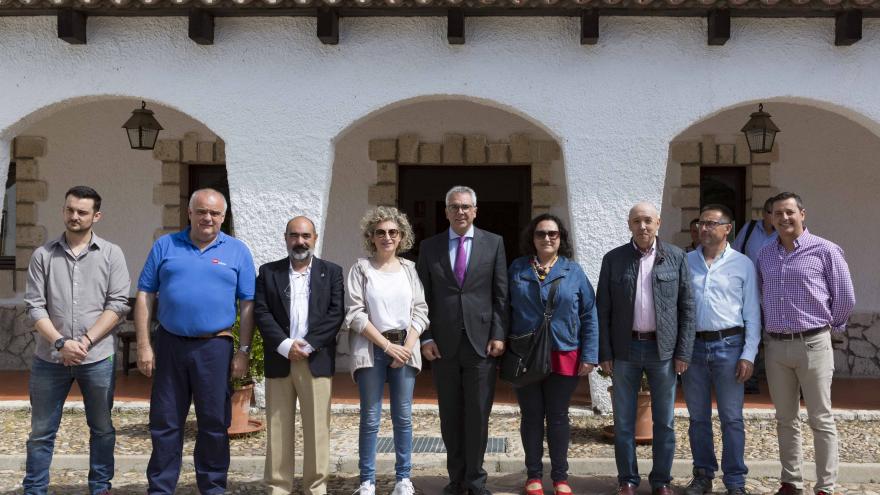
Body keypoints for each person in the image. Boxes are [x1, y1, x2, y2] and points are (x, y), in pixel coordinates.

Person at [135, 188, 256, 495]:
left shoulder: (238, 251)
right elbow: (145, 294)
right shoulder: (165, 246)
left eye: (215, 213)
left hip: (214, 347)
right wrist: (145, 344)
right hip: (171, 344)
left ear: (223, 217)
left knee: (214, 423)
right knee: (165, 422)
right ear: (189, 213)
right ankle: (161, 488)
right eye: (201, 211)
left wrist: (243, 351)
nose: (208, 218)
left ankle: (213, 487)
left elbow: (247, 305)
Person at [22, 186, 131, 495]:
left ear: (96, 216)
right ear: (63, 210)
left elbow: (118, 304)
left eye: (82, 212)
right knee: (41, 432)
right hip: (49, 359)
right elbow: (34, 306)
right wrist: (61, 343)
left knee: (102, 429)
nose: (74, 216)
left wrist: (83, 341)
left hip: (96, 358)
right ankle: (34, 489)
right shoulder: (43, 255)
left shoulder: (112, 254)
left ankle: (100, 487)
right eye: (70, 209)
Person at [757, 192, 855, 495]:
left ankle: (825, 486)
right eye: (777, 214)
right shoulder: (764, 254)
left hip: (813, 344)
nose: (784, 219)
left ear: (802, 213)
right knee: (785, 418)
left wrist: (828, 328)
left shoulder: (825, 250)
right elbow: (762, 295)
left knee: (820, 418)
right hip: (776, 348)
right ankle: (791, 482)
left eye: (789, 212)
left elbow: (845, 296)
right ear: (770, 219)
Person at [597, 201, 695, 495]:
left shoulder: (676, 258)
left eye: (648, 221)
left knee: (664, 423)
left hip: (662, 351)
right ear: (629, 225)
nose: (642, 226)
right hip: (625, 350)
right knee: (623, 422)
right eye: (637, 221)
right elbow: (603, 309)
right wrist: (605, 353)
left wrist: (683, 352)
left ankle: (661, 481)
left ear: (658, 223)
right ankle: (627, 479)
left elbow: (687, 308)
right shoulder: (613, 259)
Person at [416, 185, 508, 495]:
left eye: (466, 206)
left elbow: (500, 294)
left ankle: (476, 480)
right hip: (442, 345)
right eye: (454, 207)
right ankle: (456, 480)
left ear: (475, 211)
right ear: (446, 212)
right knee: (450, 415)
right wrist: (425, 336)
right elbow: (421, 298)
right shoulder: (430, 247)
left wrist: (498, 333)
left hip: (481, 343)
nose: (460, 212)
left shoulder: (493, 244)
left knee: (478, 414)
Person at [507, 214, 598, 495]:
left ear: (561, 239)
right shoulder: (517, 269)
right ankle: (533, 475)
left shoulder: (574, 272)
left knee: (558, 416)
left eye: (553, 234)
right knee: (531, 416)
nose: (547, 238)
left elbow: (589, 313)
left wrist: (590, 354)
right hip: (526, 354)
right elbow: (504, 309)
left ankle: (560, 477)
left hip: (564, 351)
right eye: (541, 233)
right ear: (531, 238)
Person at [254, 216, 344, 495]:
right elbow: (261, 311)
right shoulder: (269, 272)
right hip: (280, 359)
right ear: (286, 238)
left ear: (315, 238)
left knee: (317, 429)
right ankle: (278, 488)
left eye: (306, 235)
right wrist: (284, 344)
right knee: (279, 428)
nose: (300, 241)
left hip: (315, 360)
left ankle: (315, 488)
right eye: (294, 235)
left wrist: (307, 345)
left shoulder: (332, 272)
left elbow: (335, 313)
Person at [344, 207, 430, 495]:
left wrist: (405, 348)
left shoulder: (410, 269)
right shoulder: (361, 269)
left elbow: (421, 310)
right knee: (370, 417)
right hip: (373, 348)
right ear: (371, 236)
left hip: (404, 349)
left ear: (402, 236)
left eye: (393, 232)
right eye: (380, 232)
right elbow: (355, 314)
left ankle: (403, 479)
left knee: (403, 416)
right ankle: (367, 481)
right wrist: (387, 345)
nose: (387, 237)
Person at [682, 204, 761, 495]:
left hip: (730, 346)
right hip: (692, 348)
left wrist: (748, 354)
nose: (704, 228)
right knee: (698, 418)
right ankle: (703, 475)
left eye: (711, 223)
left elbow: (752, 312)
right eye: (702, 223)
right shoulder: (685, 261)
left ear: (728, 228)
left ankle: (735, 480)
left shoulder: (743, 264)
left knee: (732, 418)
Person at [732, 197, 778, 264]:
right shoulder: (750, 227)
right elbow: (735, 251)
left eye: (778, 213)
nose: (774, 216)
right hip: (748, 273)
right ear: (763, 213)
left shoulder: (783, 234)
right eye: (770, 212)